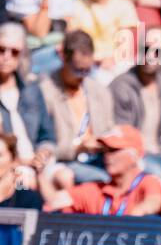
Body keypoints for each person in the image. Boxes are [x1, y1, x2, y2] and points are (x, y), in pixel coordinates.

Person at [39, 29, 113, 183]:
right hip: (64, 162)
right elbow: (43, 145)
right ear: (64, 58)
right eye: (77, 70)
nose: (82, 76)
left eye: (87, 70)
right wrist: (78, 148)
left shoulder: (99, 91)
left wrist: (104, 143)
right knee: (103, 179)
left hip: (99, 158)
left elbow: (110, 129)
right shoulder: (45, 92)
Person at [111, 40, 161, 187]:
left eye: (157, 52)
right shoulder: (121, 86)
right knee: (157, 174)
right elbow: (124, 136)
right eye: (146, 50)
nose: (150, 56)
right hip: (134, 155)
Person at [47, 122, 161, 213]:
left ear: (135, 155)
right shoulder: (98, 190)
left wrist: (135, 216)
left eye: (114, 150)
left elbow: (155, 201)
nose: (108, 156)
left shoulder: (147, 182)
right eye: (105, 151)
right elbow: (56, 202)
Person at [0, 22, 55, 165]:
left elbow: (47, 135)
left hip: (38, 162)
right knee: (23, 185)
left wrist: (43, 154)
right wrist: (23, 163)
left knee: (64, 177)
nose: (6, 56)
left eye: (14, 52)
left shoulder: (31, 88)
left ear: (22, 56)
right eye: (1, 49)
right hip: (9, 166)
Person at [67, 0, 138, 79]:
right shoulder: (75, 6)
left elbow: (124, 47)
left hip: (117, 64)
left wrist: (111, 60)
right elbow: (74, 43)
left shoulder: (124, 6)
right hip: (86, 65)